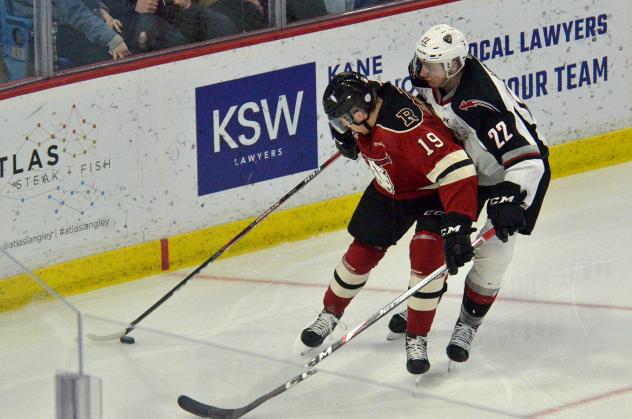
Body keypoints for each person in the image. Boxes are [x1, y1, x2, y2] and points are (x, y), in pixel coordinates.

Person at [387, 24, 550, 365]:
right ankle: (423, 301)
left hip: (511, 174)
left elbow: (530, 159)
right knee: (433, 242)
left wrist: (511, 197)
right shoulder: (434, 83)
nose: (421, 70)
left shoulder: (481, 101)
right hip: (463, 170)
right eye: (421, 61)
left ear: (454, 66)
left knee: (494, 258)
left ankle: (468, 325)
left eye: (430, 65)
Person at [299, 71, 479, 375]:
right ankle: (329, 314)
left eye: (348, 119)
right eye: (339, 121)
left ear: (366, 104)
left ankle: (417, 337)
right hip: (392, 187)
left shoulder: (406, 126)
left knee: (426, 257)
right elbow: (356, 122)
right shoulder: (368, 104)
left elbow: (458, 170)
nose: (346, 125)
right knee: (361, 253)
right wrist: (346, 134)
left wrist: (458, 224)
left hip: (432, 190)